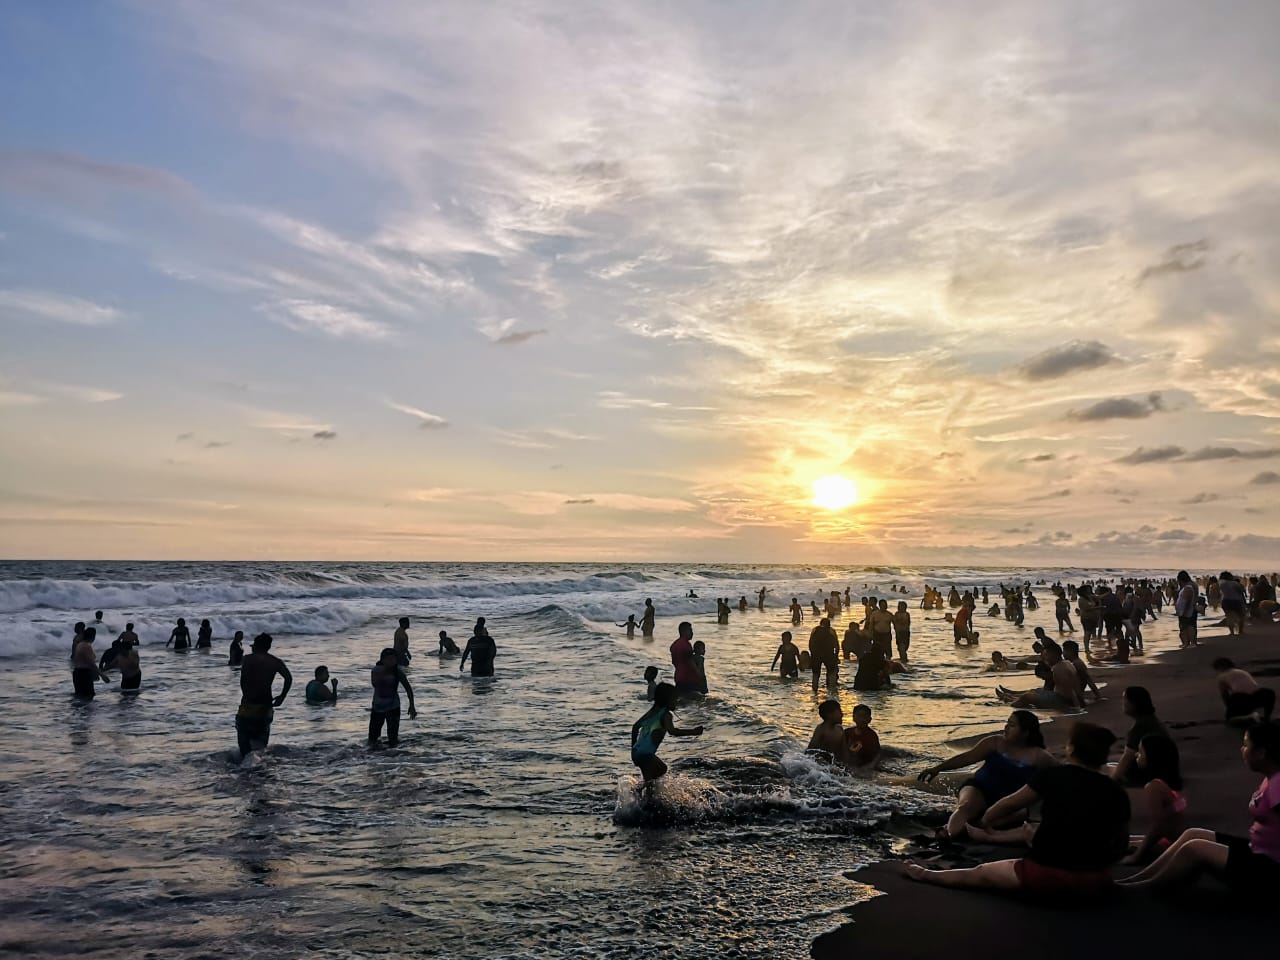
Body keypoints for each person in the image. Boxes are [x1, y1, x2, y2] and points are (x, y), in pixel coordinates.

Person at [909, 723, 1130, 897]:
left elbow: (1009, 804)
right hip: (1094, 882)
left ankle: (927, 874)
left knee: (980, 874)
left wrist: (987, 821)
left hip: (1042, 877)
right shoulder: (1116, 791)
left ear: (1071, 748)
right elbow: (1120, 844)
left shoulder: (1052, 776)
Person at [1119, 721, 1280, 893]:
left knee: (1194, 847)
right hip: (1256, 849)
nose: (1242, 749)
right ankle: (1138, 878)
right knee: (1193, 833)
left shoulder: (1278, 785)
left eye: (1246, 745)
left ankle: (1140, 887)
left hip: (1269, 866)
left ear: (1261, 753)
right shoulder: (1271, 778)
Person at [917, 711, 1056, 839]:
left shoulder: (1039, 756)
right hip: (979, 788)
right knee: (966, 807)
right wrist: (937, 768)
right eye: (1007, 722)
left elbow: (1064, 775)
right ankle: (949, 834)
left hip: (1009, 801)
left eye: (1012, 725)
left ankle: (973, 829)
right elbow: (967, 758)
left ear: (1025, 732)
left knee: (1013, 816)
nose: (1006, 727)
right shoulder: (995, 742)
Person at [1121, 735, 1186, 864]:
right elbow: (1176, 811)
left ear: (1152, 757)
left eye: (1140, 752)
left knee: (1121, 844)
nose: (1136, 755)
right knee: (1127, 840)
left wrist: (1137, 856)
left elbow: (1158, 827)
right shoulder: (1167, 783)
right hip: (1178, 839)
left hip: (1171, 844)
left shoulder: (1154, 787)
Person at [631, 682, 703, 792]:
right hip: (646, 756)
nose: (677, 702)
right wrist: (693, 732)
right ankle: (641, 799)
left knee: (661, 769)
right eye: (675, 699)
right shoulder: (666, 715)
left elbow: (635, 727)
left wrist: (633, 748)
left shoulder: (652, 711)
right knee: (650, 783)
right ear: (667, 699)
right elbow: (673, 731)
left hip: (637, 752)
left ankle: (641, 793)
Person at [235, 634, 292, 762]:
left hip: (247, 707)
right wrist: (282, 697)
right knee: (260, 746)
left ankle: (245, 770)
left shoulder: (247, 659)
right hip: (265, 708)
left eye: (254, 645)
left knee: (244, 745)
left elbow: (243, 680)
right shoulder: (275, 661)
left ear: (257, 645)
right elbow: (288, 678)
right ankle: (259, 769)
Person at [1112, 686, 1170, 786]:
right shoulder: (1150, 720)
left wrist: (1111, 780)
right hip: (1162, 768)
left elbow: (1127, 758)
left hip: (1148, 775)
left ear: (1134, 704)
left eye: (1125, 700)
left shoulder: (1140, 727)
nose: (1123, 703)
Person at [369, 647, 416, 747]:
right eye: (388, 659)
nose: (391, 661)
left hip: (393, 707)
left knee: (393, 739)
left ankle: (392, 757)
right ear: (382, 660)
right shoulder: (376, 670)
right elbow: (375, 684)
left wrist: (412, 706)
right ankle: (373, 759)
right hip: (377, 708)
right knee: (373, 739)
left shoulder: (398, 672)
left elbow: (408, 688)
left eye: (393, 659)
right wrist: (385, 670)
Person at [1214, 658, 1275, 724]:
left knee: (1231, 719)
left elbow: (1224, 695)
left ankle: (1251, 717)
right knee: (1269, 693)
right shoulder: (1242, 671)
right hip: (1261, 695)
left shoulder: (1221, 676)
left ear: (1220, 667)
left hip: (1242, 698)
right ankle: (1267, 717)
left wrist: (1230, 709)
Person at [71, 627, 111, 698]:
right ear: (93, 636)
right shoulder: (86, 646)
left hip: (77, 673)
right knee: (88, 697)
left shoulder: (80, 644)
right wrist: (102, 675)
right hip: (84, 674)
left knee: (79, 697)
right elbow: (91, 664)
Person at [809, 617, 840, 694]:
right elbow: (837, 645)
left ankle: (814, 691)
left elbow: (810, 643)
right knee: (831, 673)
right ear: (829, 624)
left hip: (816, 654)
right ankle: (831, 690)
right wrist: (836, 656)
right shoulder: (831, 631)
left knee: (816, 674)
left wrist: (812, 654)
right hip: (828, 654)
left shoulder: (815, 630)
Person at [669, 621, 701, 695]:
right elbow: (690, 661)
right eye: (690, 630)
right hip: (688, 678)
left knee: (682, 701)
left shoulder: (675, 644)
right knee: (692, 701)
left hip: (678, 676)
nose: (692, 633)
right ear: (684, 631)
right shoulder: (686, 644)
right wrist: (699, 673)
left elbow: (674, 662)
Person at [1175, 570, 1198, 648]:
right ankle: (1188, 643)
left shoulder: (1188, 587)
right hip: (1189, 609)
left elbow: (1187, 600)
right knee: (1189, 626)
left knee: (1188, 626)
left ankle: (1191, 643)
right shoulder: (1190, 585)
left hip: (1187, 610)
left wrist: (1183, 611)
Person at [1219, 571, 1247, 636]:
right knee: (1241, 615)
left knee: (1229, 617)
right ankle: (1240, 631)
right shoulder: (1235, 583)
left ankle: (1231, 632)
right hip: (1236, 600)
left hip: (1225, 600)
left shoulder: (1221, 583)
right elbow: (1241, 591)